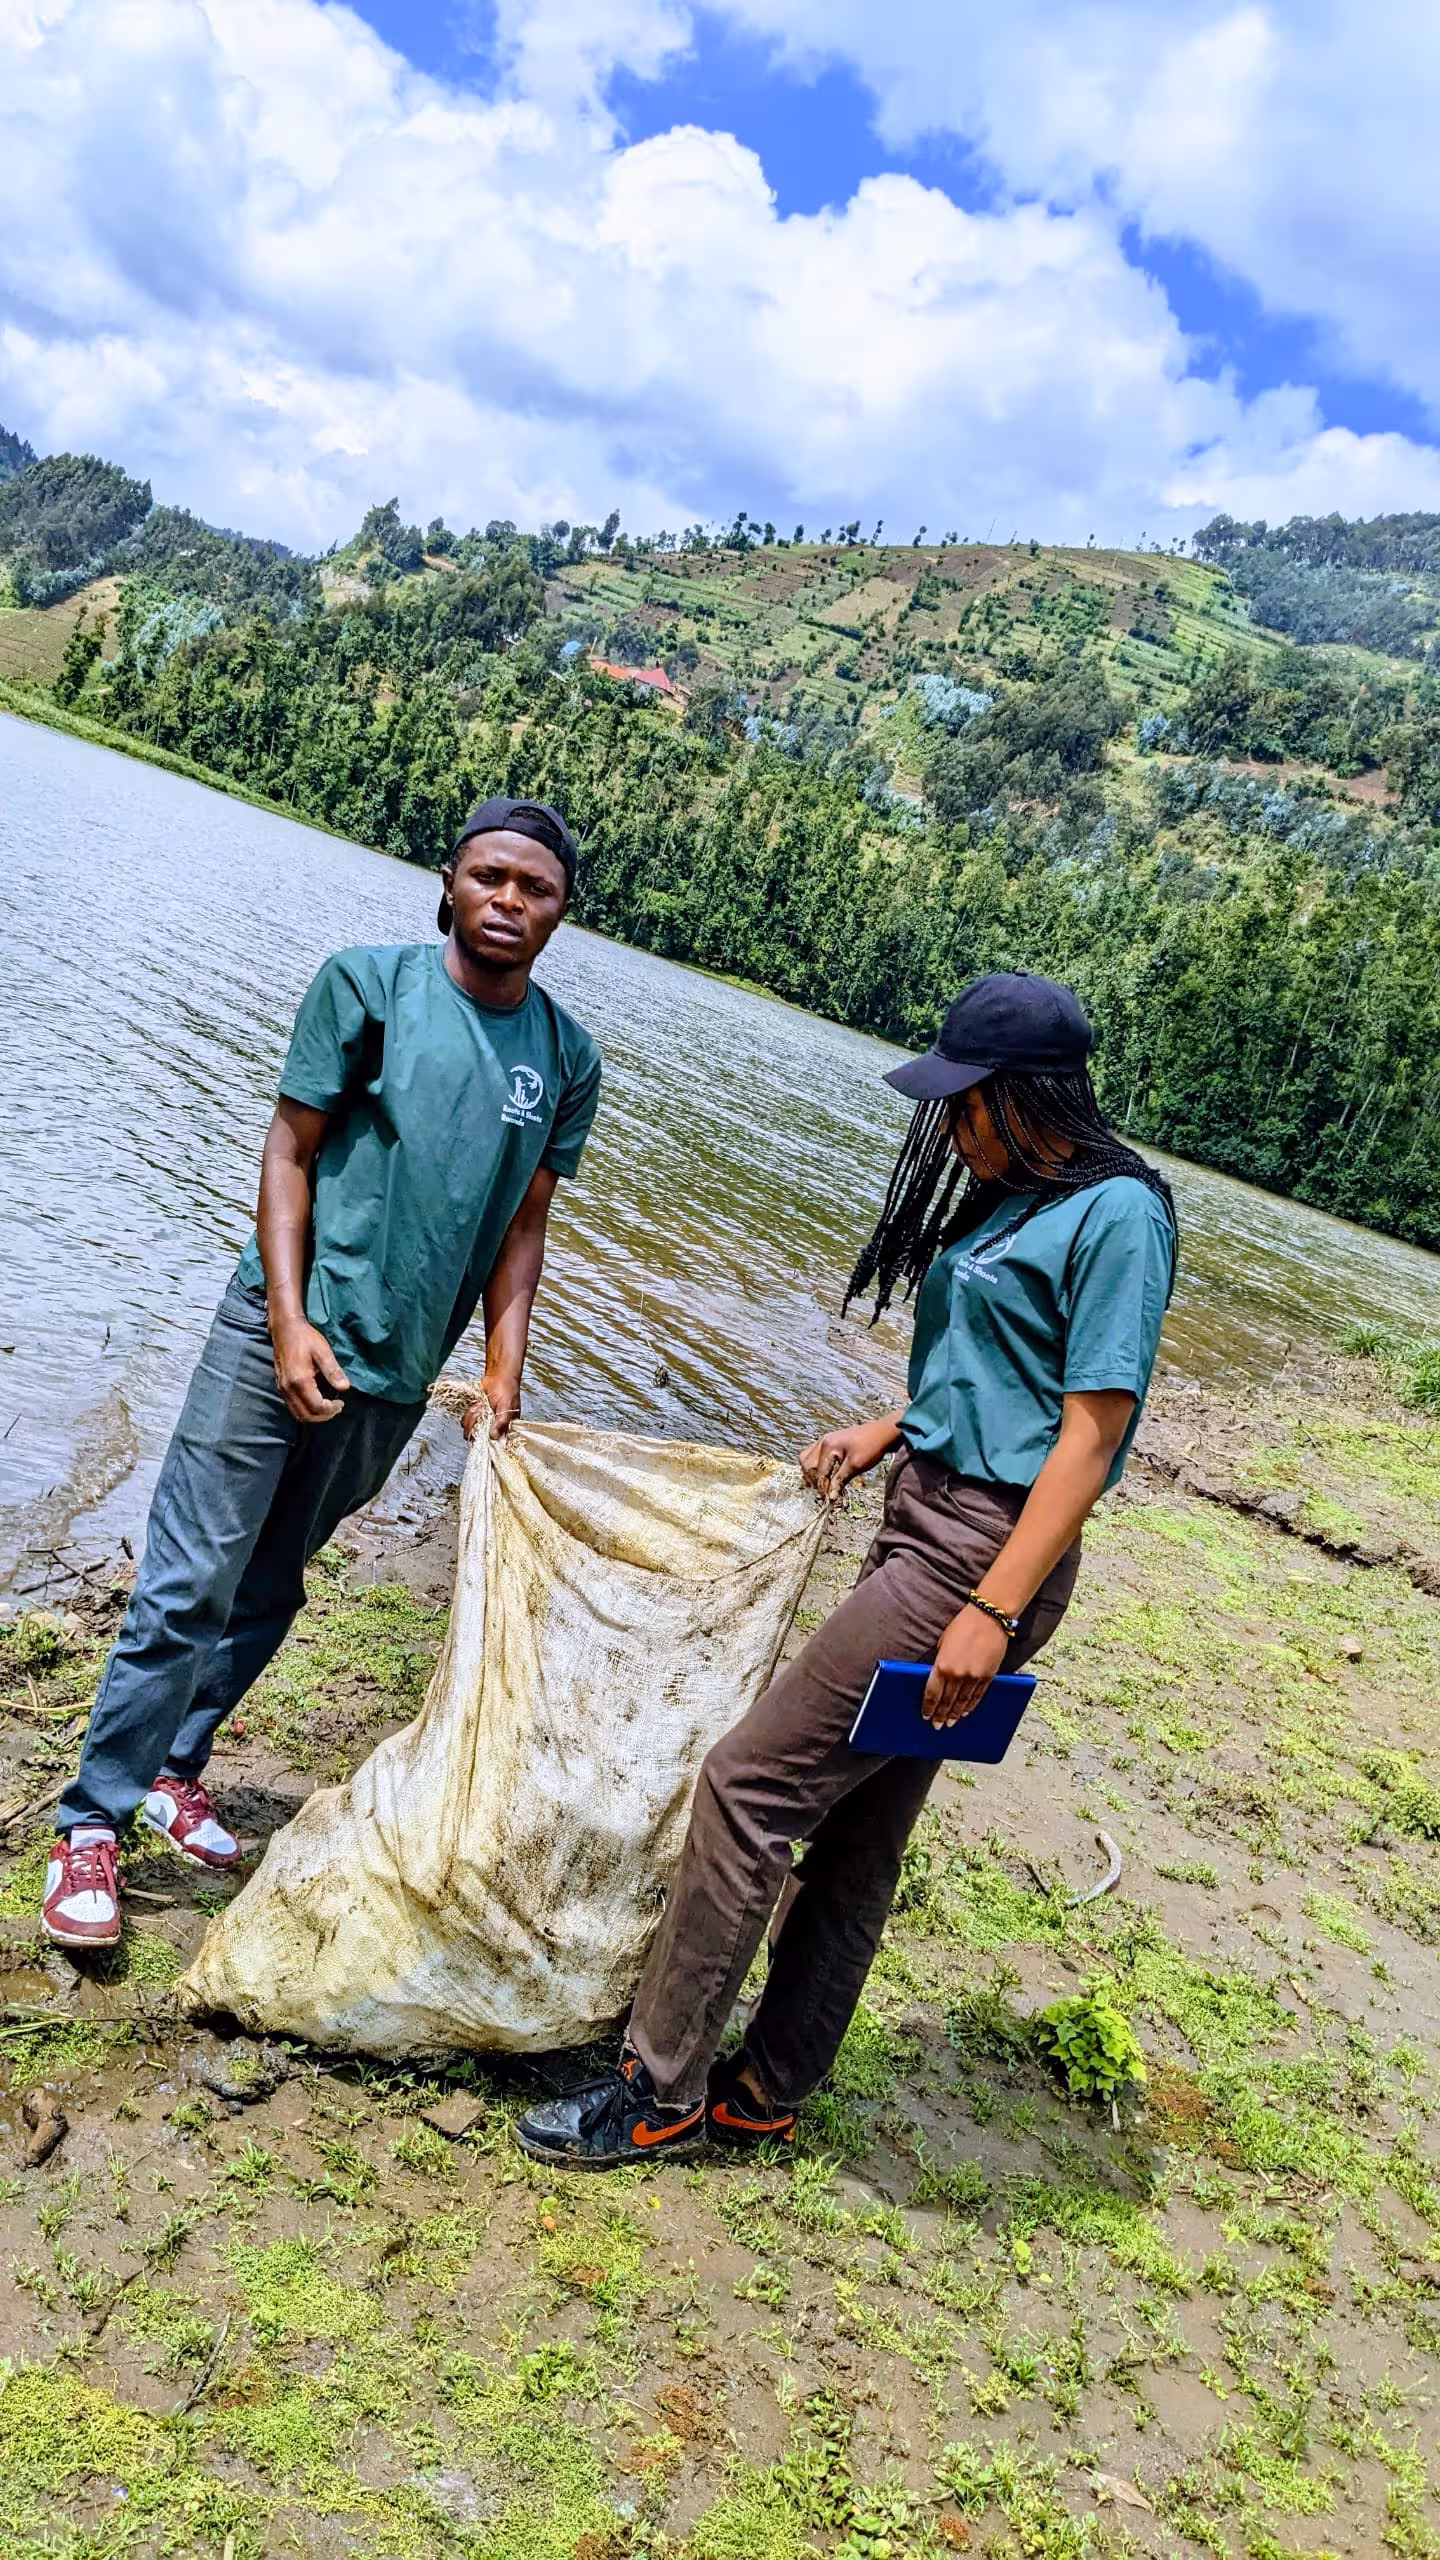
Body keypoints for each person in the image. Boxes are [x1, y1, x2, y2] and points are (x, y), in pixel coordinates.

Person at [516, 970, 1177, 2167]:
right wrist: (892, 1427)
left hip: (979, 1554)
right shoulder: (1014, 1193)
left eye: (962, 1103)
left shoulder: (1117, 1214)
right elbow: (994, 1372)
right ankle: (770, 2081)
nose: (949, 1125)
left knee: (748, 1784)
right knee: (863, 1826)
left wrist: (990, 1608)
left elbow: (1087, 1438)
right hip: (930, 1516)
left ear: (1025, 1097)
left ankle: (657, 2087)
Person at [43, 797, 601, 1950]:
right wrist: (291, 1321)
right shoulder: (366, 987)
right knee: (190, 1581)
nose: (508, 900)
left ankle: (174, 1767)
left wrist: (504, 1368)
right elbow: (288, 1151)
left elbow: (522, 1229)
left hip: (395, 1373)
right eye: (489, 876)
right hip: (274, 1333)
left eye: (534, 888)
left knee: (274, 1584)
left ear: (561, 913)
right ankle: (90, 1826)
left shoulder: (566, 1059)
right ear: (450, 883)